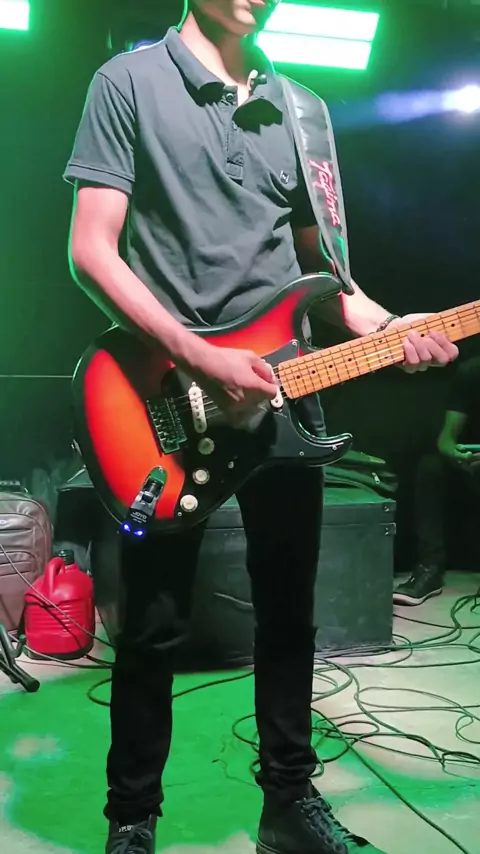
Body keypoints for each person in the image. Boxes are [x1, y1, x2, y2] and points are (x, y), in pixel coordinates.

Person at [64, 2, 458, 852]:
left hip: (288, 394)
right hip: (164, 396)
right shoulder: (128, 81)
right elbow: (91, 250)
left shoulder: (303, 110)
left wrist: (391, 327)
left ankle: (287, 805)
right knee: (152, 626)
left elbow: (326, 273)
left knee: (289, 614)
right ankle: (131, 819)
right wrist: (198, 356)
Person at [394, 357, 480, 606]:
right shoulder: (472, 371)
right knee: (431, 468)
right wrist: (456, 453)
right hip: (473, 462)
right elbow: (446, 438)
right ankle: (429, 569)